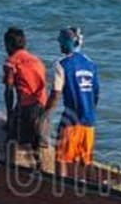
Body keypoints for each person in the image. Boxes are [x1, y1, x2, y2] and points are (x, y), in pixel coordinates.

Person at [40, 27, 99, 172]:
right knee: (85, 162)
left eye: (61, 41)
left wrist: (44, 116)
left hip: (71, 121)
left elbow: (55, 94)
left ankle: (61, 190)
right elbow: (95, 94)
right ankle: (83, 189)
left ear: (69, 42)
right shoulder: (91, 64)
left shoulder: (62, 64)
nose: (59, 45)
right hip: (89, 121)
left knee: (62, 160)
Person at [2, 27, 47, 166]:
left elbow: (9, 91)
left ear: (9, 45)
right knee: (35, 142)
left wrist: (10, 116)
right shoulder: (36, 60)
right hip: (43, 105)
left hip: (27, 106)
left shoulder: (11, 62)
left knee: (12, 139)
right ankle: (41, 167)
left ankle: (11, 172)